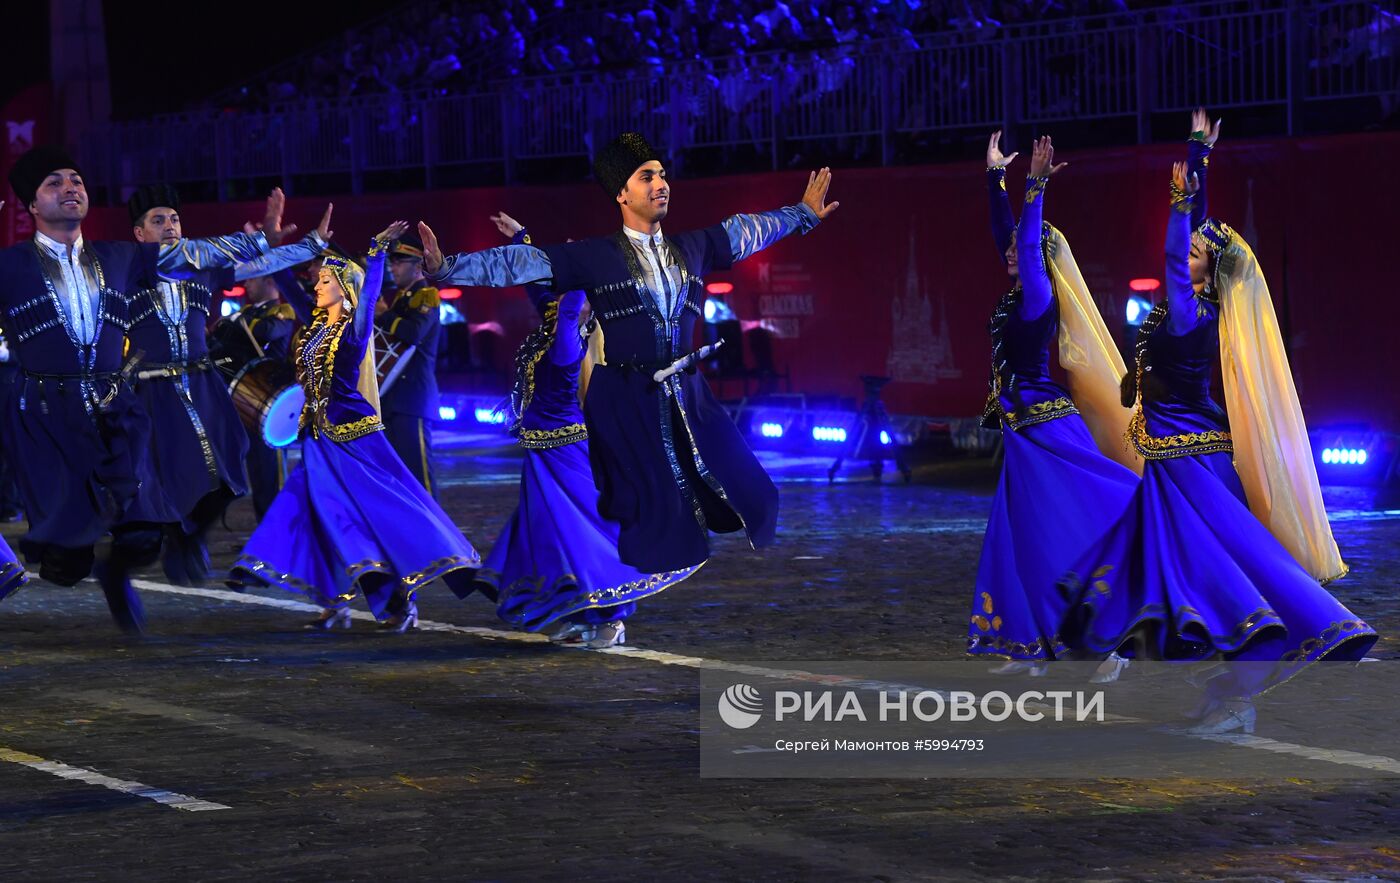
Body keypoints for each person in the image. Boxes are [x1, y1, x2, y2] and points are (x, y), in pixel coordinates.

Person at [1059, 118, 1376, 733]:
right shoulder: (1197, 307)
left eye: (1199, 251)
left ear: (1209, 269)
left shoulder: (1190, 311)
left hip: (1189, 465)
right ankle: (1144, 660)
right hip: (1174, 458)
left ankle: (1239, 686)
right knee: (1152, 564)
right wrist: (1198, 158)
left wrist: (1182, 197)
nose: (1186, 253)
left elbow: (1179, 255)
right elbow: (1193, 251)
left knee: (1227, 572)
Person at [420, 132, 838, 575]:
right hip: (624, 396)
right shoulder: (594, 256)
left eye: (661, 174)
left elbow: (747, 230)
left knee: (747, 486)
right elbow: (519, 264)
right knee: (637, 508)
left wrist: (802, 215)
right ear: (622, 193)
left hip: (687, 393)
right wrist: (448, 268)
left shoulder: (693, 247)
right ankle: (585, 577)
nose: (660, 184)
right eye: (646, 177)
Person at [0, 145, 282, 633]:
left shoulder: (118, 257)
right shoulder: (17, 266)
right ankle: (94, 555)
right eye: (55, 183)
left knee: (205, 484)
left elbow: (213, 258)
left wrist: (279, 243)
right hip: (60, 410)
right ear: (31, 205)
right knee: (67, 561)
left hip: (136, 403)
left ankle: (151, 549)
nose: (71, 187)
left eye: (77, 180)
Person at [231, 222, 480, 632]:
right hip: (317, 440)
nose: (315, 283)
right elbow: (288, 285)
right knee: (316, 517)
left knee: (381, 515)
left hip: (353, 440)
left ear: (343, 288)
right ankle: (334, 603)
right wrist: (275, 249)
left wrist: (378, 254)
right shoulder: (313, 328)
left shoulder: (353, 331)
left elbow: (367, 299)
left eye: (324, 279)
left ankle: (402, 602)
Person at [473, 212, 699, 649]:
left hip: (565, 454)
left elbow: (569, 299)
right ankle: (580, 613)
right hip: (541, 455)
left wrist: (584, 264)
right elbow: (540, 288)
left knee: (588, 533)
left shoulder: (570, 340)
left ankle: (613, 616)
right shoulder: (556, 321)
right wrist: (523, 239)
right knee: (550, 537)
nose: (556, 295)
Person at [969, 133, 1141, 676]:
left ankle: (1112, 640)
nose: (1010, 250)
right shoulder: (1018, 290)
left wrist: (1036, 186)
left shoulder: (1039, 297)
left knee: (1066, 528)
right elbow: (1008, 237)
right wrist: (996, 178)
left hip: (1046, 430)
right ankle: (1030, 643)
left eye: (1021, 247)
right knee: (1019, 535)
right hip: (1023, 429)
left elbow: (1020, 244)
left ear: (1039, 259)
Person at [125, 185, 330, 582]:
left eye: (174, 219)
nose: (170, 226)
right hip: (152, 390)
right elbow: (215, 252)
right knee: (160, 472)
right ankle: (165, 539)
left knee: (230, 469)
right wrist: (257, 238)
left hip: (201, 386)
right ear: (139, 233)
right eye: (158, 220)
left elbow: (259, 265)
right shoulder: (129, 266)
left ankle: (188, 534)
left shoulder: (200, 268)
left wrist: (311, 244)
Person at [375, 231, 443, 495]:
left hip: (413, 397)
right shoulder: (401, 298)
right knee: (398, 477)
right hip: (393, 398)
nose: (393, 268)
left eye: (399, 262)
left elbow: (413, 334)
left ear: (418, 267)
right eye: (392, 262)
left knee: (420, 476)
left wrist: (385, 314)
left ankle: (436, 533)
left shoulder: (426, 296)